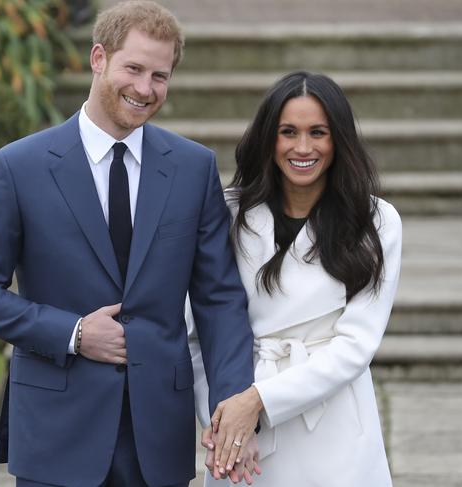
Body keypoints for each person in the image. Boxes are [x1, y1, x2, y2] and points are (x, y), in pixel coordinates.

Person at [0, 2, 258, 486]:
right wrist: (72, 332)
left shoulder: (193, 168)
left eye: (160, 75)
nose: (144, 88)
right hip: (56, 431)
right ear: (98, 58)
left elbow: (219, 299)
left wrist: (233, 409)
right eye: (133, 68)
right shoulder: (19, 167)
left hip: (157, 437)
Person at [188, 71, 402, 486]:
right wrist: (225, 421)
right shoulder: (226, 214)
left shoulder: (376, 221)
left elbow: (356, 346)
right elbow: (197, 334)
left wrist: (259, 403)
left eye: (317, 132)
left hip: (333, 421)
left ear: (338, 139)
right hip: (238, 419)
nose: (302, 148)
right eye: (288, 132)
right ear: (269, 138)